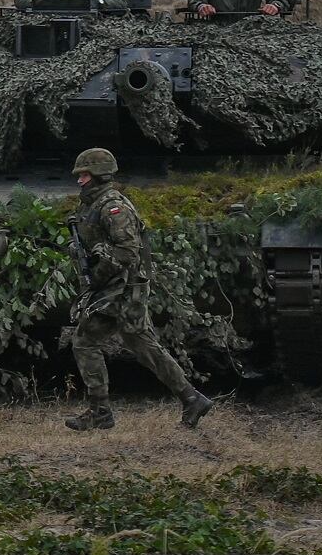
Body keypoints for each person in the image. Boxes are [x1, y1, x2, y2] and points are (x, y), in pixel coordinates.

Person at [64, 148, 215, 432]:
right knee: (144, 346)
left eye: (84, 174)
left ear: (98, 174)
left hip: (121, 287)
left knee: (85, 340)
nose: (79, 180)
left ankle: (101, 412)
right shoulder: (92, 205)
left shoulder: (112, 207)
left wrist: (97, 274)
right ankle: (192, 398)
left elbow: (128, 251)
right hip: (118, 287)